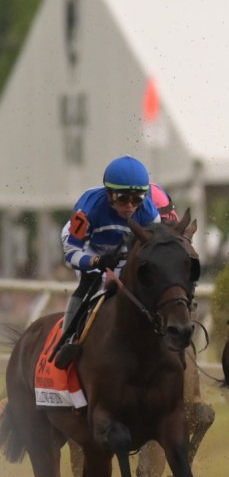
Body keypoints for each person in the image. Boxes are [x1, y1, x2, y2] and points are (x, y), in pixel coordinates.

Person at [53, 155, 161, 368]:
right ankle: (68, 339)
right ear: (109, 194)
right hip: (87, 246)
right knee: (92, 282)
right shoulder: (87, 209)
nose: (130, 206)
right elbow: (72, 252)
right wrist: (96, 261)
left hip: (122, 251)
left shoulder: (149, 215)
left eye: (137, 198)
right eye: (122, 198)